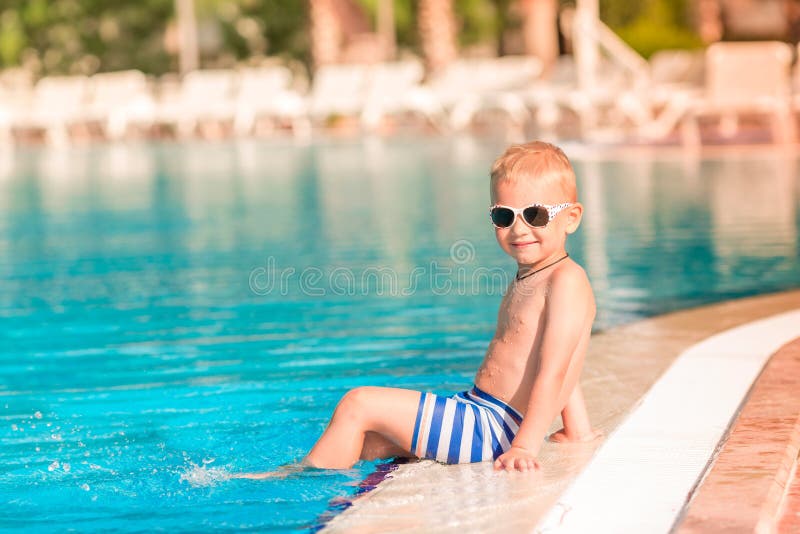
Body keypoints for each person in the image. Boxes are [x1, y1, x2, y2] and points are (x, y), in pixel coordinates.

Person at [236, 141, 600, 479]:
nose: (518, 228)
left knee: (358, 403)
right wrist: (576, 430)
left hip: (494, 429)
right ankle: (306, 475)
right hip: (481, 412)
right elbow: (566, 358)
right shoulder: (535, 275)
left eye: (535, 215)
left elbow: (554, 370)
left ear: (570, 218)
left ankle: (298, 484)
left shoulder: (566, 280)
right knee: (370, 440)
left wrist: (524, 445)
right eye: (505, 216)